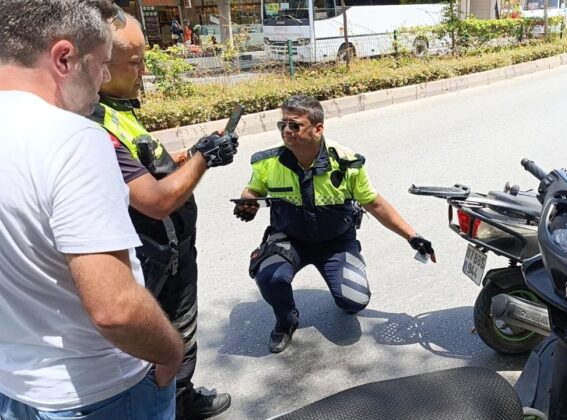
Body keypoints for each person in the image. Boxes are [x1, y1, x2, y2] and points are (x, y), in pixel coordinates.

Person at [0, 1, 184, 419]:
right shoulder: (74, 139)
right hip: (101, 392)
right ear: (64, 57)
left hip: (14, 387)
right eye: (102, 64)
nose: (104, 79)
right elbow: (116, 309)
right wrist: (171, 352)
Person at [89, 14, 235, 420]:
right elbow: (154, 200)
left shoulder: (116, 109)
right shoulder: (94, 124)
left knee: (179, 328)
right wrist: (205, 159)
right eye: (134, 62)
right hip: (155, 256)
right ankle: (169, 404)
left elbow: (147, 167)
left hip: (171, 247)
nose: (144, 71)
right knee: (169, 334)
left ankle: (179, 395)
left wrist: (194, 154)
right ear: (99, 63)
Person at [235, 95, 436, 353]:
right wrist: (246, 203)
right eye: (282, 124)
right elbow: (252, 191)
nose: (286, 131)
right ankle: (286, 320)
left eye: (294, 125)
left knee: (355, 302)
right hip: (289, 239)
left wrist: (412, 236)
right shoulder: (267, 161)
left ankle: (342, 283)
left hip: (336, 242)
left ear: (318, 129)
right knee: (271, 277)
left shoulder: (347, 161)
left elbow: (374, 203)